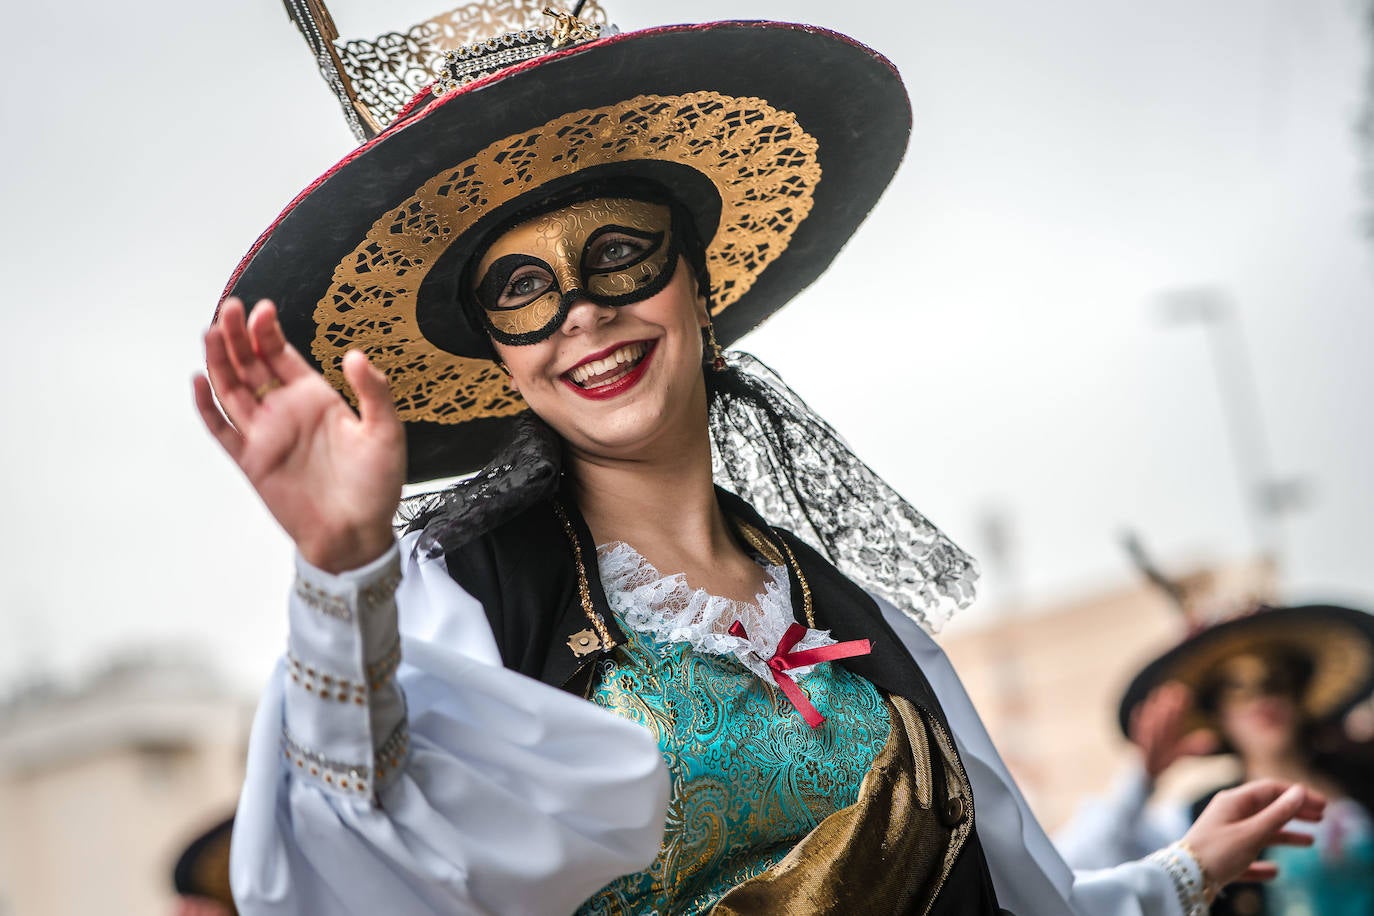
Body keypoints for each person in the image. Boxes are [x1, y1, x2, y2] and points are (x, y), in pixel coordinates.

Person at [195, 3, 1327, 913]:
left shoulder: (862, 617)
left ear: (699, 283)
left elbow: (1023, 894)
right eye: (523, 292)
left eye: (621, 256)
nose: (582, 314)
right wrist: (342, 565)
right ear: (499, 353)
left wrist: (1179, 874)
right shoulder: (454, 600)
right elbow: (346, 846)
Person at [1057, 604, 1374, 915]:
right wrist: (1143, 777)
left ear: (1297, 693)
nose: (1261, 699)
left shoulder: (1361, 778)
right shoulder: (1197, 818)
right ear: (1218, 715)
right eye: (1236, 689)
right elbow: (1071, 873)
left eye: (1275, 682)